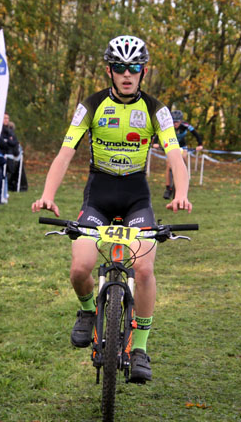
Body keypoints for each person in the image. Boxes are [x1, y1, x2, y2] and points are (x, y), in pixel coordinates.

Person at [31, 35, 191, 383]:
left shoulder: (155, 109)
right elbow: (65, 153)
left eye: (134, 68)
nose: (127, 74)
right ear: (109, 70)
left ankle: (141, 348)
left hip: (136, 197)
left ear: (143, 71)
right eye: (119, 67)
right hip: (98, 194)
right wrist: (47, 193)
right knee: (80, 268)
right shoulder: (90, 105)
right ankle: (88, 311)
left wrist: (181, 192)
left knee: (145, 269)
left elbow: (176, 155)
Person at [161, 110, 202, 200]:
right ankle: (168, 188)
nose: (175, 123)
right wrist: (156, 143)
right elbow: (158, 134)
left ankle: (182, 180)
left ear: (181, 121)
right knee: (168, 165)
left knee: (183, 158)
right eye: (173, 121)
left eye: (177, 121)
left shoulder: (186, 125)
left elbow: (196, 134)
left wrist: (200, 144)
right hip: (171, 146)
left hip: (182, 146)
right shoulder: (168, 126)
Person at [0, 113, 20, 202]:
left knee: (5, 175)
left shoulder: (10, 131)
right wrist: (8, 142)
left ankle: (4, 193)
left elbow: (14, 142)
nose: (6, 120)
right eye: (4, 118)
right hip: (1, 154)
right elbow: (3, 143)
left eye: (7, 118)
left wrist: (8, 142)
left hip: (8, 156)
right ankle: (0, 194)